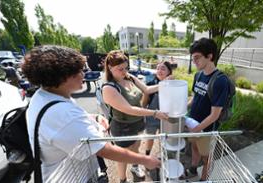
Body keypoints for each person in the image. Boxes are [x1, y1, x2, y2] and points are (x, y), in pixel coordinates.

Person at [22, 45, 161, 182]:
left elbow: (68, 123)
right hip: (71, 178)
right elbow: (103, 149)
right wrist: (146, 160)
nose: (84, 74)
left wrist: (93, 117)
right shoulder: (61, 113)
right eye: (79, 71)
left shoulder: (45, 96)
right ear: (63, 77)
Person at [102, 50, 169, 183]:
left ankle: (135, 166)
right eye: (120, 69)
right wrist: (154, 113)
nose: (124, 71)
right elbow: (129, 109)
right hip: (123, 127)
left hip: (138, 122)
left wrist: (165, 83)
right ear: (110, 68)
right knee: (123, 155)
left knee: (136, 146)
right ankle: (123, 179)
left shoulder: (129, 77)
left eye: (126, 68)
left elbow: (147, 90)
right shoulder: (109, 88)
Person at [188, 38, 230, 181]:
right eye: (193, 58)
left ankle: (204, 179)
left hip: (206, 128)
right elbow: (194, 98)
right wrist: (180, 108)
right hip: (193, 123)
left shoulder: (220, 80)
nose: (194, 61)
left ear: (210, 56)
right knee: (194, 148)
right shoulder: (198, 75)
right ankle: (193, 169)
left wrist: (197, 129)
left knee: (207, 157)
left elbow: (214, 115)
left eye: (197, 58)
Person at [142, 61, 173, 156]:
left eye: (163, 68)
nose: (159, 71)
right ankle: (147, 155)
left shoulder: (174, 85)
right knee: (150, 137)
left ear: (169, 72)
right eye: (158, 68)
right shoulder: (150, 83)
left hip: (166, 117)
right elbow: (144, 102)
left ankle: (163, 154)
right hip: (152, 116)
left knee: (163, 137)